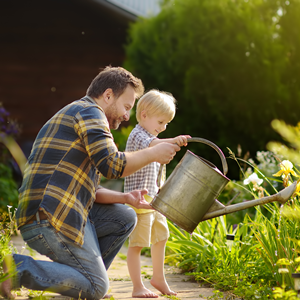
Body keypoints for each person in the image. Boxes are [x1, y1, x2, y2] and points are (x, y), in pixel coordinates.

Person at [0, 67, 181, 300]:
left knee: (125, 216)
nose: (127, 116)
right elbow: (112, 165)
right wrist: (153, 153)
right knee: (96, 289)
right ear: (107, 96)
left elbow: (92, 189)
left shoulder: (81, 114)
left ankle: (84, 282)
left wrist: (125, 198)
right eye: (126, 107)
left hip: (62, 211)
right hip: (48, 217)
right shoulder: (90, 113)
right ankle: (18, 268)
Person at [124, 89, 191, 298]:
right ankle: (137, 287)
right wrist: (174, 140)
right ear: (144, 115)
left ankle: (158, 278)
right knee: (137, 244)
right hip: (139, 200)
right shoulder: (139, 135)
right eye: (161, 122)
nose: (162, 128)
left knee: (161, 236)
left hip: (154, 199)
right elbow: (154, 146)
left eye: (166, 125)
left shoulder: (151, 135)